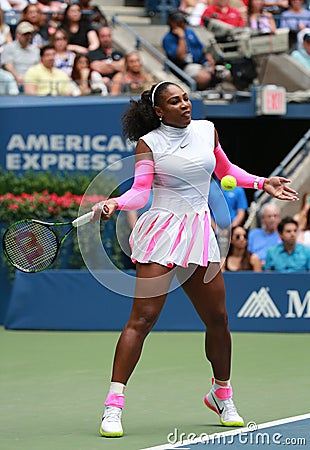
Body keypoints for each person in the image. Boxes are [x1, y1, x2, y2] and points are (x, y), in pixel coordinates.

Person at [90, 81, 298, 438]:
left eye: (186, 98)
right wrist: (115, 203)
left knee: (218, 318)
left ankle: (221, 394)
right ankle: (113, 405)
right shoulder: (149, 144)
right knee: (142, 318)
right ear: (159, 111)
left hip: (199, 233)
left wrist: (263, 183)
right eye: (175, 101)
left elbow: (227, 172)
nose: (185, 105)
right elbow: (140, 192)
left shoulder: (207, 131)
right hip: (163, 233)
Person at [162, 9, 228, 91]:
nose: (182, 24)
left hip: (202, 62)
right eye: (178, 22)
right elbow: (181, 57)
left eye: (183, 21)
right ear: (171, 23)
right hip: (185, 67)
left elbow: (203, 49)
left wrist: (210, 59)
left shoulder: (190, 32)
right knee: (204, 76)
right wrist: (181, 37)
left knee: (225, 72)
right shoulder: (168, 38)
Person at [1, 20, 40, 89]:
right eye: (25, 34)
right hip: (14, 80)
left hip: (32, 81)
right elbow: (8, 66)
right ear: (17, 34)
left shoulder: (35, 50)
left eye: (29, 34)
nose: (27, 37)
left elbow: (38, 67)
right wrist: (17, 77)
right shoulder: (10, 47)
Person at [88, 25, 124, 90]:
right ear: (98, 37)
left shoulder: (119, 53)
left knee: (119, 75)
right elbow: (95, 66)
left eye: (108, 36)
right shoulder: (93, 53)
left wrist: (105, 63)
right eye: (103, 36)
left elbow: (122, 67)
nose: (106, 39)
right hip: (100, 84)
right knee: (95, 74)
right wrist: (115, 65)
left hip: (116, 84)